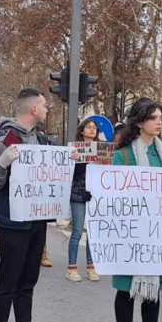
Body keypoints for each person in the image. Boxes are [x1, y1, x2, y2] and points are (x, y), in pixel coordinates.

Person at [0, 88, 53, 322]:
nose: (48, 110)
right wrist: (3, 162)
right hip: (13, 222)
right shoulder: (6, 138)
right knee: (8, 281)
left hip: (36, 220)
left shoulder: (42, 139)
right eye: (45, 106)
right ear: (33, 110)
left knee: (29, 280)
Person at [111, 98, 162, 322]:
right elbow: (112, 193)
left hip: (157, 234)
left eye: (161, 117)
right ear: (139, 122)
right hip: (130, 235)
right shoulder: (123, 155)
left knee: (153, 292)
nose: (159, 122)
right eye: (153, 118)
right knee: (126, 291)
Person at [66, 118, 101, 283]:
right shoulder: (74, 150)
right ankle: (71, 267)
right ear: (82, 131)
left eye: (94, 128)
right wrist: (75, 160)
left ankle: (91, 266)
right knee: (78, 231)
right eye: (89, 127)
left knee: (93, 233)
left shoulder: (101, 150)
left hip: (95, 195)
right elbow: (69, 173)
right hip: (78, 194)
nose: (92, 130)